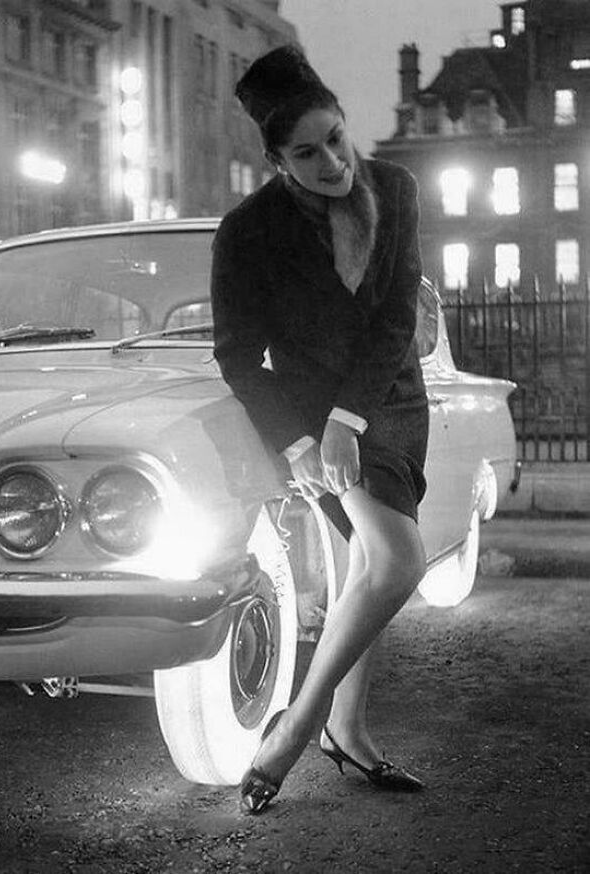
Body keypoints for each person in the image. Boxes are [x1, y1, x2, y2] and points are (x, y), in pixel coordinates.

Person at [210, 44, 430, 814]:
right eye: (308, 152)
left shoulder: (395, 189)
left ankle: (348, 728)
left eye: (336, 136)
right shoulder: (246, 232)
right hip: (310, 414)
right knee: (398, 560)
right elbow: (237, 356)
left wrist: (349, 420)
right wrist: (303, 439)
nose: (334, 161)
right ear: (277, 160)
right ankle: (300, 728)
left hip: (389, 400)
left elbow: (398, 316)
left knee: (367, 571)